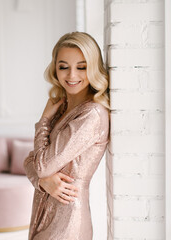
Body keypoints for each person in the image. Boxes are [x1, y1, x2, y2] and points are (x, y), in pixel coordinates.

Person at [23, 32, 110, 240]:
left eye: (82, 67)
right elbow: (29, 161)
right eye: (64, 67)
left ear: (94, 67)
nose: (72, 75)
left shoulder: (92, 114)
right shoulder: (63, 108)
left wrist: (43, 121)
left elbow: (42, 166)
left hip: (68, 218)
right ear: (55, 69)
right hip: (45, 209)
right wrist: (42, 182)